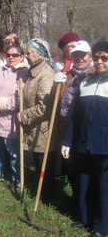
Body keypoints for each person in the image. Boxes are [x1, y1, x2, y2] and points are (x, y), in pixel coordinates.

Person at [63, 41, 108, 237]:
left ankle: (101, 226)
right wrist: (67, 141)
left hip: (104, 146)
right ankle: (84, 218)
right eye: (97, 57)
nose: (99, 61)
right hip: (83, 144)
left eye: (104, 58)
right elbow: (74, 116)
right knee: (84, 184)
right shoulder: (85, 83)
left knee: (103, 188)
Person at [55, 41, 94, 208]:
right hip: (66, 129)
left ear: (89, 56)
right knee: (72, 167)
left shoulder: (94, 74)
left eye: (83, 55)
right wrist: (56, 85)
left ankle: (89, 203)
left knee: (87, 170)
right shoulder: (68, 76)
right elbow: (56, 102)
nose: (79, 58)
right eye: (76, 55)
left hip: (86, 131)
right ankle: (77, 200)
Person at [17, 38, 56, 202]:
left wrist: (24, 115)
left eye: (29, 53)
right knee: (38, 160)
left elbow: (45, 107)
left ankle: (46, 195)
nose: (26, 55)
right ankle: (43, 192)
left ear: (40, 55)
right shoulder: (33, 73)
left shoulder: (45, 75)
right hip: (34, 127)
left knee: (44, 163)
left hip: (43, 128)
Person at [0, 45, 29, 190]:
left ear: (21, 56)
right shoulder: (1, 70)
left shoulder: (24, 73)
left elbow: (21, 98)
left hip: (10, 121)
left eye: (15, 55)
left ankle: (17, 178)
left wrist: (1, 104)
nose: (11, 57)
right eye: (8, 55)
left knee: (13, 152)